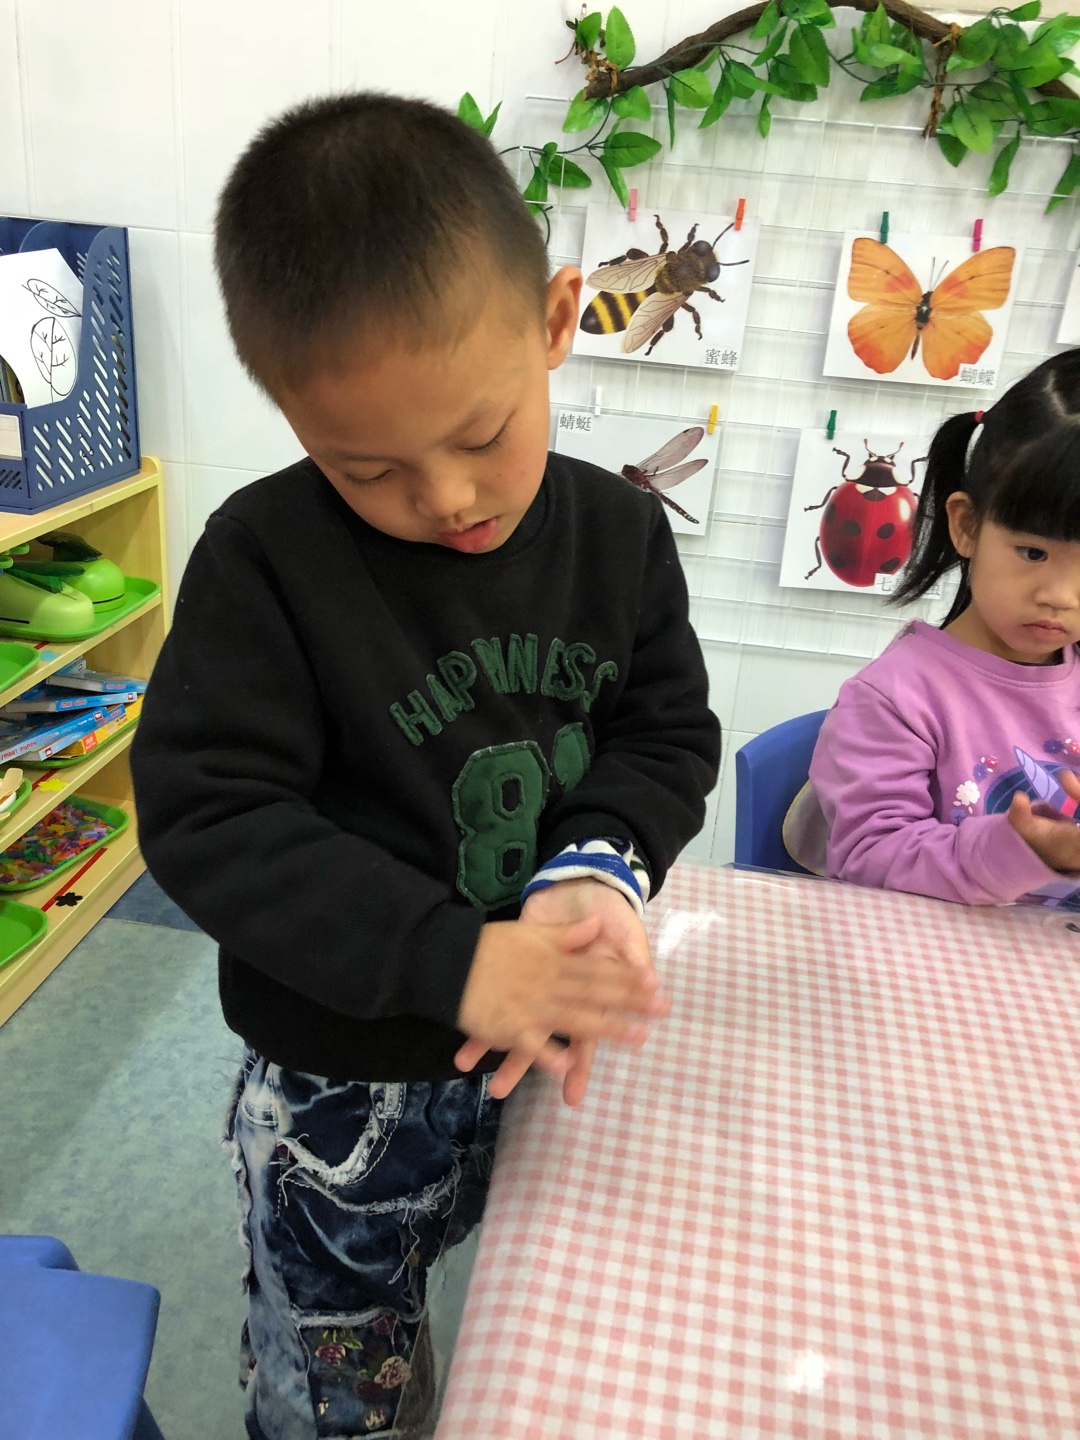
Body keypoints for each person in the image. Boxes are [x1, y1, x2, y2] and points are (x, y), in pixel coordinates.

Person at [130, 93, 721, 1440]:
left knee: (555, 1330)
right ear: (290, 416)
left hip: (547, 1045)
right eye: (367, 468)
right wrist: (450, 957)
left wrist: (600, 865)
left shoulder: (621, 535)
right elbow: (211, 815)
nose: (447, 497)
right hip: (343, 1085)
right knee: (346, 1394)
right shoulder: (264, 560)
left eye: (481, 433)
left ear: (557, 320)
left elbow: (666, 733)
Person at [801, 350, 1080, 909]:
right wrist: (1025, 851)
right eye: (1032, 552)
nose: (1061, 596)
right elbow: (867, 856)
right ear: (967, 525)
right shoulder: (895, 697)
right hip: (923, 953)